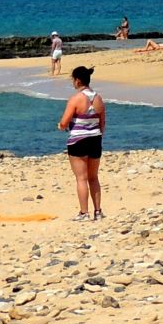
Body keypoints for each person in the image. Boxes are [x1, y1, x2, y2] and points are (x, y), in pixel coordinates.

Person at [58, 65, 106, 220]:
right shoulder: (98, 98)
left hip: (78, 140)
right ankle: (97, 211)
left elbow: (64, 122)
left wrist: (60, 126)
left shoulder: (76, 98)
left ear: (77, 81)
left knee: (81, 178)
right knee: (94, 177)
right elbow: (102, 123)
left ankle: (84, 212)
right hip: (95, 139)